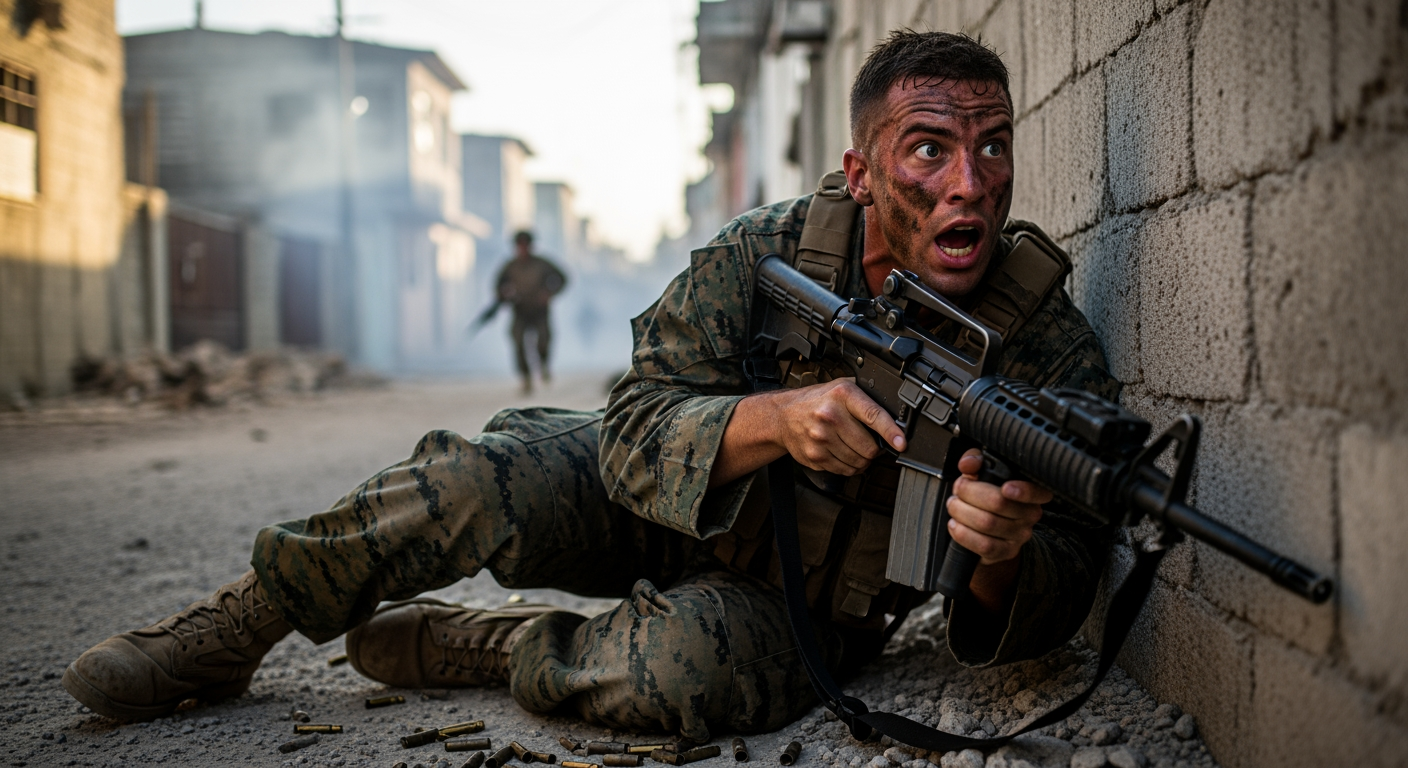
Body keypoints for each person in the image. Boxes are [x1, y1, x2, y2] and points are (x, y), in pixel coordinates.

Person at [62, 32, 1119, 743]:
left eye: (991, 148)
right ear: (859, 172)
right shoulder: (771, 254)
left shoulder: (1036, 344)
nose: (968, 185)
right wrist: (771, 423)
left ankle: (501, 643)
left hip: (799, 603)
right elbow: (633, 422)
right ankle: (248, 617)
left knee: (681, 678)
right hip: (659, 509)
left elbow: (1062, 576)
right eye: (928, 150)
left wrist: (1000, 558)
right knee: (480, 476)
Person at [496, 231, 567, 393]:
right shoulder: (511, 266)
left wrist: (548, 293)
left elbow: (562, 278)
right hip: (520, 310)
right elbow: (499, 286)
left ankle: (543, 365)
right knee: (518, 341)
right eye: (520, 246)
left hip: (539, 310)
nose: (523, 249)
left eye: (525, 245)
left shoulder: (542, 264)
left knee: (543, 341)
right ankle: (525, 377)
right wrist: (505, 294)